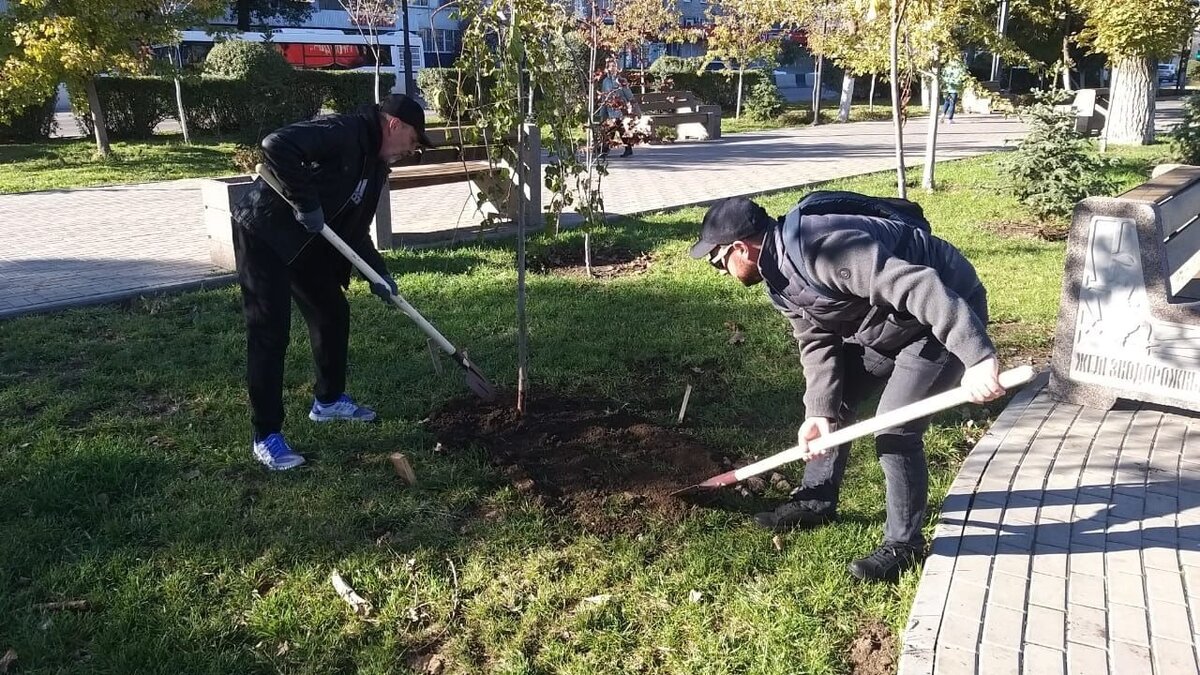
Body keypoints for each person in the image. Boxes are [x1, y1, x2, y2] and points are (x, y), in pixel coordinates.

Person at [690, 192, 1006, 583]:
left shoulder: (825, 249)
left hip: (940, 316)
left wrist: (977, 357)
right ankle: (817, 499)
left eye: (717, 261)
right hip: (887, 323)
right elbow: (816, 340)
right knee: (833, 404)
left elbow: (921, 287)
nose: (719, 270)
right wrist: (817, 412)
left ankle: (905, 545)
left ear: (741, 248)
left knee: (895, 429)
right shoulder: (778, 278)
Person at [230, 93, 432, 471]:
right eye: (413, 141)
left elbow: (354, 232)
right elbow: (276, 145)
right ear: (394, 125)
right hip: (265, 232)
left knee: (332, 311)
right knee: (270, 331)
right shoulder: (345, 131)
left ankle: (328, 401)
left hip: (306, 242)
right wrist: (307, 203)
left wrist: (379, 274)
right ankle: (267, 435)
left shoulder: (375, 169)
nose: (413, 150)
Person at [598, 60, 636, 157]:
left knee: (615, 128)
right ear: (608, 68)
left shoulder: (621, 80)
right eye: (611, 66)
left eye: (614, 66)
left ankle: (606, 150)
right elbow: (604, 96)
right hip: (610, 109)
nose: (613, 68)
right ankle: (626, 148)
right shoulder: (605, 81)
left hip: (620, 108)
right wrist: (603, 112)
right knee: (614, 129)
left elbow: (628, 93)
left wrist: (631, 105)